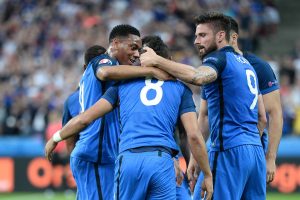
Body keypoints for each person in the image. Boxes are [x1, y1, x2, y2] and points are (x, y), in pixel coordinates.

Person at [45, 35, 213, 200]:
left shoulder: (122, 86)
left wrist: (56, 137)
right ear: (168, 59)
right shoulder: (180, 89)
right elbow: (192, 135)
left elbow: (85, 119)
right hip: (162, 160)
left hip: (129, 159)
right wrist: (206, 173)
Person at [140, 12, 267, 199]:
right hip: (255, 152)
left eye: (202, 35)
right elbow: (261, 117)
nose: (196, 41)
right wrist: (195, 158)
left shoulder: (218, 60)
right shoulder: (247, 65)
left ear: (220, 36)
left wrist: (157, 60)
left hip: (228, 149)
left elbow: (197, 77)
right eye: (196, 35)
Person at [51, 24, 170, 200]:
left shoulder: (105, 77)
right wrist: (151, 70)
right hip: (96, 156)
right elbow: (104, 72)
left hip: (96, 154)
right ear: (115, 43)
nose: (136, 54)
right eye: (133, 47)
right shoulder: (105, 61)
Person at [63, 45, 107, 155]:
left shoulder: (72, 99)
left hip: (86, 155)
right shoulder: (117, 90)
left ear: (84, 67)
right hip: (110, 156)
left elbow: (69, 139)